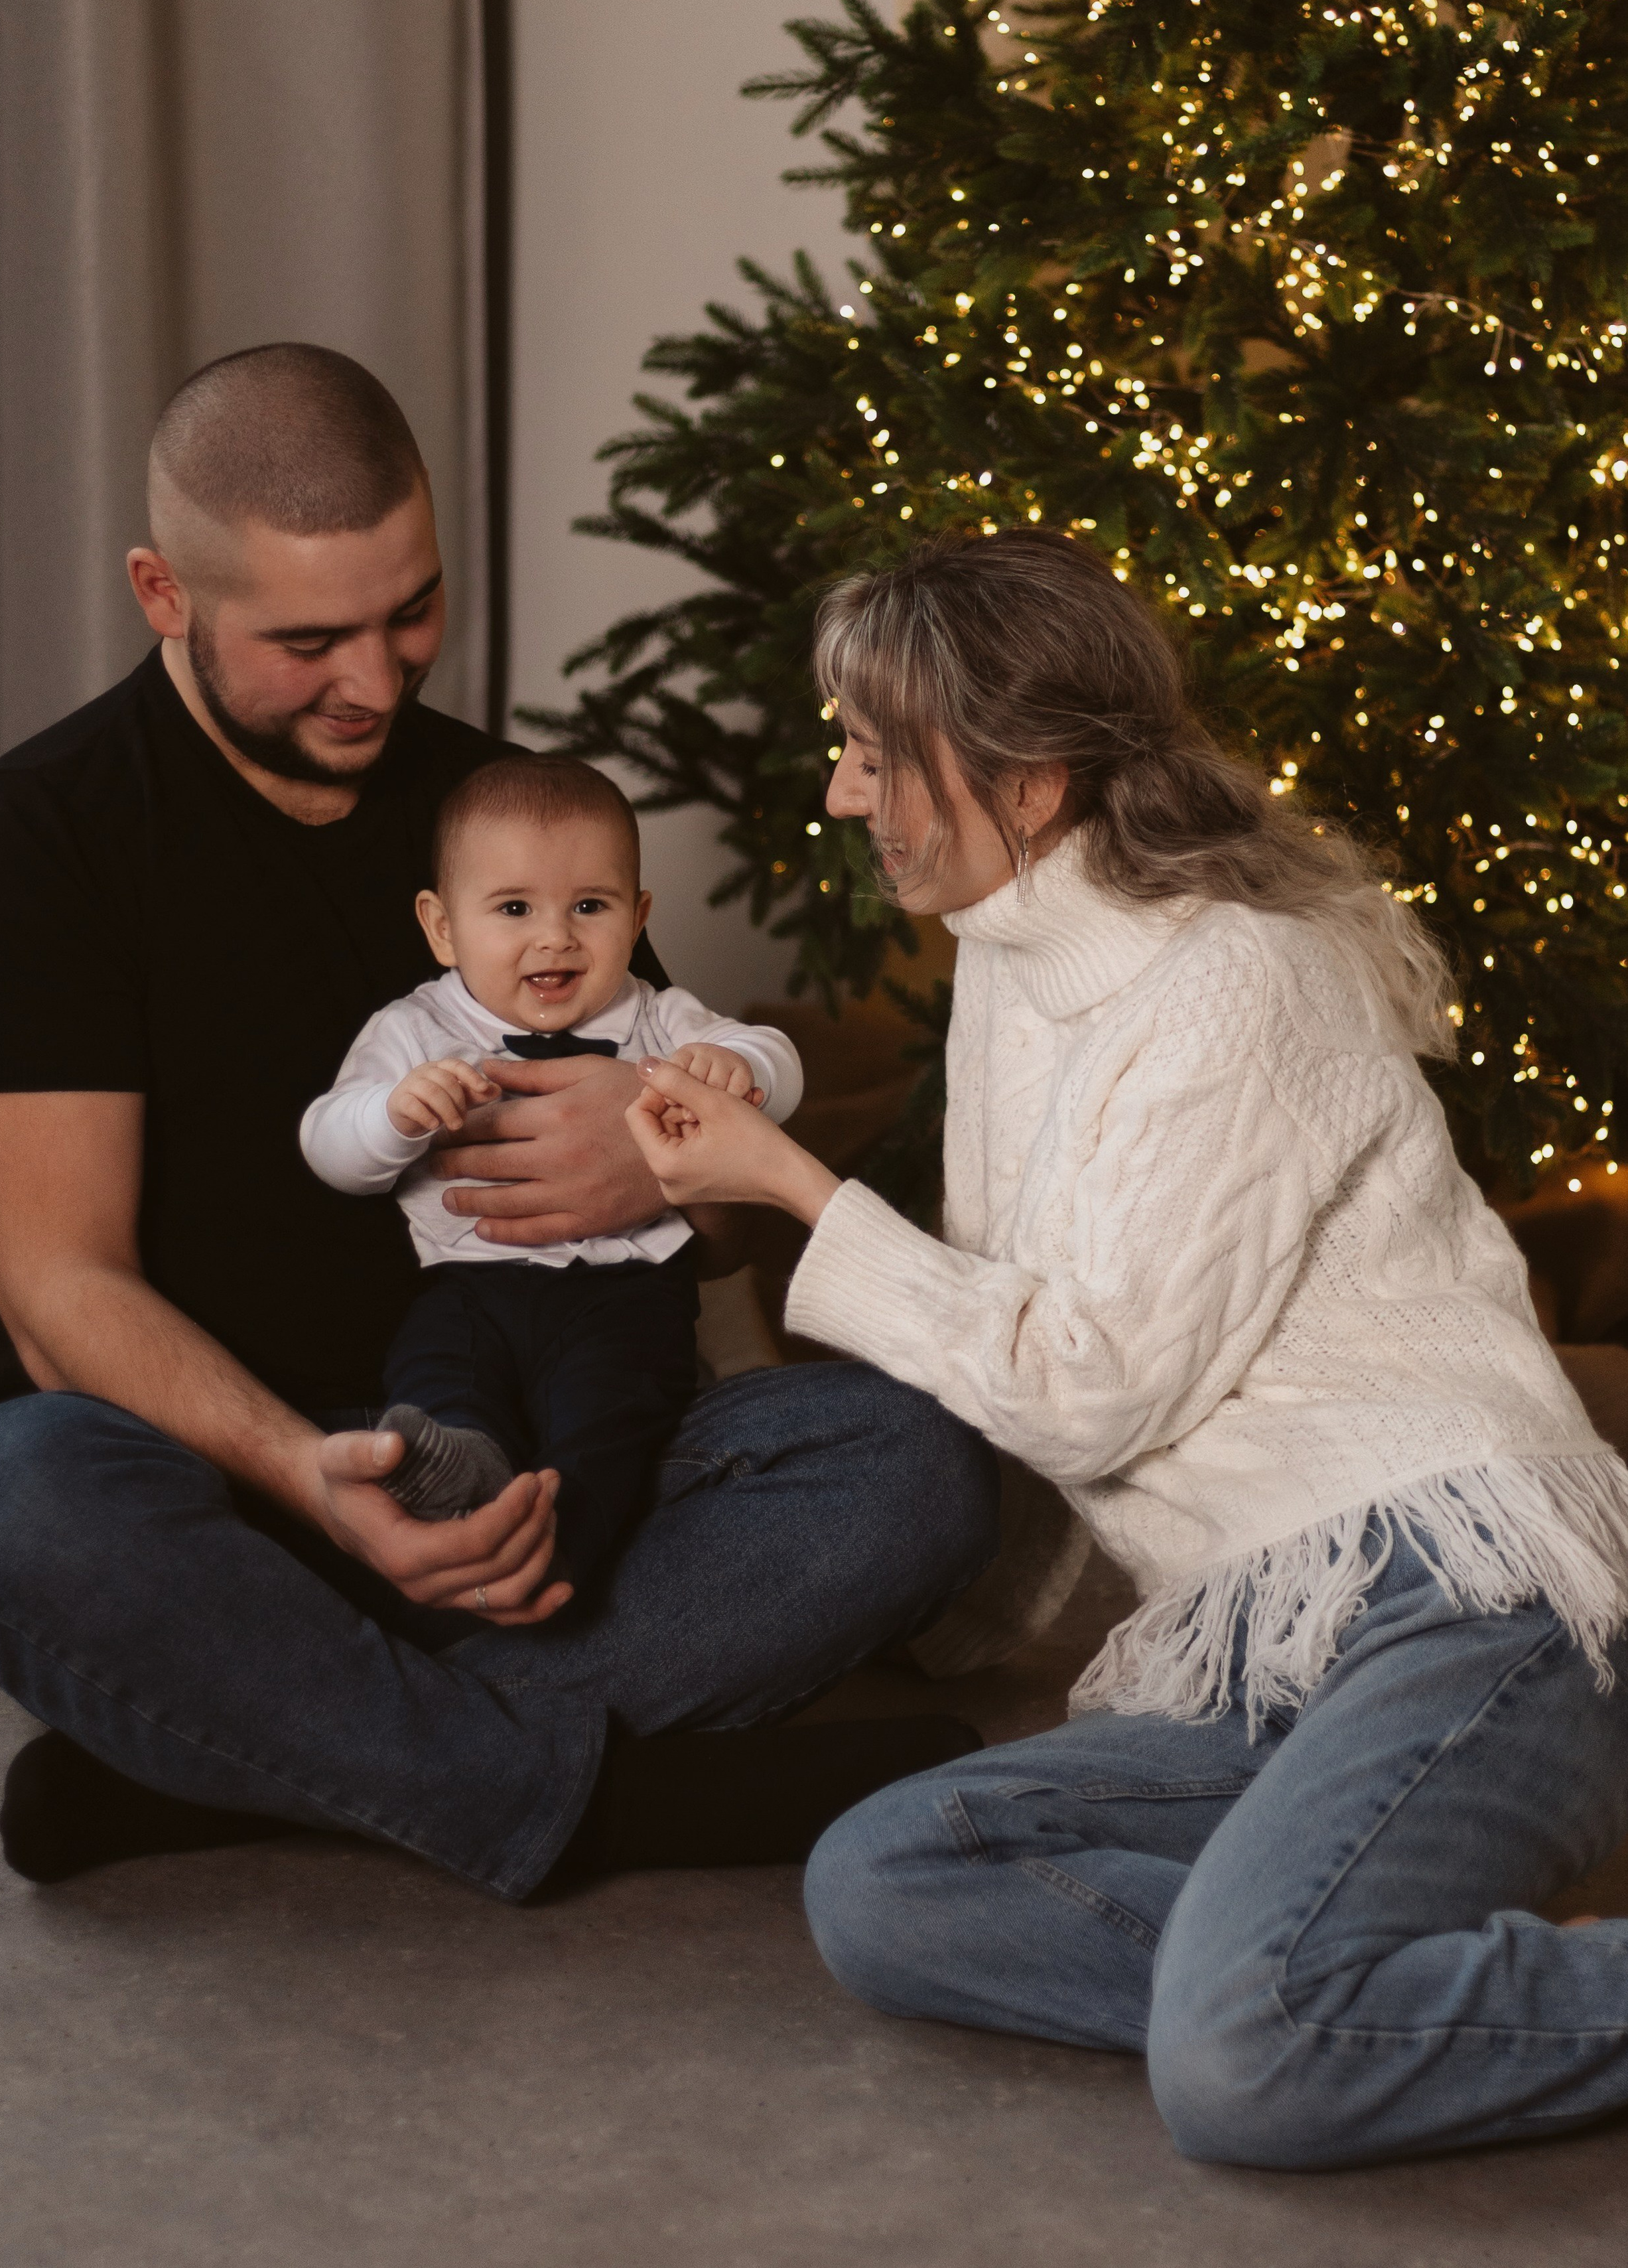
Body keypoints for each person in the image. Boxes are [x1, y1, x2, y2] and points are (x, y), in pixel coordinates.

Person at [621, 526, 1628, 2172]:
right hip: (1268, 1654)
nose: (838, 794)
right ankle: (1361, 1963)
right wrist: (933, 1622)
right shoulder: (1012, 966)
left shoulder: (1237, 978)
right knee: (879, 1880)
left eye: (874, 754)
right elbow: (1018, 1345)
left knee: (1241, 2064)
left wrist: (794, 1190)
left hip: (1463, 1598)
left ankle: (1308, 1990)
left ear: (1026, 784)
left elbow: (1085, 1382)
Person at [0, 343, 996, 1897]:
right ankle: (597, 1799)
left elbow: (706, 1175)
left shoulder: (501, 816)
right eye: (308, 639)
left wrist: (655, 1164)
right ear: (163, 593)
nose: (376, 679)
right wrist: (315, 1481)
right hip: (230, 1502)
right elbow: (56, 1292)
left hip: (543, 1475)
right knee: (2, 1502)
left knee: (916, 1467)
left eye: (409, 610)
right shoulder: (37, 842)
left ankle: (266, 1761)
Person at [300, 749, 804, 1599]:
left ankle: (558, 1549)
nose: (555, 936)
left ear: (637, 915)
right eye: (512, 908)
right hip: (468, 1287)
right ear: (442, 926)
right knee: (436, 1387)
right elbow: (327, 1144)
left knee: (611, 1421)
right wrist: (392, 1114)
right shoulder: (415, 1029)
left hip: (627, 1293)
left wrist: (733, 1064)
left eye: (590, 905)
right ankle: (460, 1476)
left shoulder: (656, 1016)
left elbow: (780, 1061)